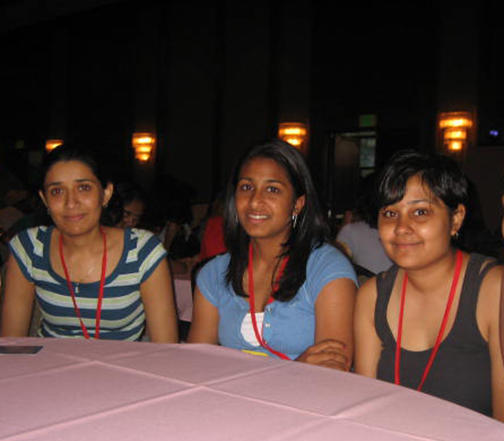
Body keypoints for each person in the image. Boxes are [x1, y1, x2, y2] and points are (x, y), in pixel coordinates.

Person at [354, 150, 504, 420]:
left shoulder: (493, 289)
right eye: (390, 213)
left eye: (420, 212)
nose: (401, 227)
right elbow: (366, 409)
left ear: (456, 218)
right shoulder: (372, 296)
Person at [188, 139, 357, 369]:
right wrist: (296, 368)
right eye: (246, 187)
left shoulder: (327, 269)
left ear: (297, 204)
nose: (255, 201)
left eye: (272, 189)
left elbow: (334, 369)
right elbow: (197, 365)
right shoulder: (213, 274)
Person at [0, 145, 178, 342]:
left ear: (106, 193)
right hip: (51, 368)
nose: (71, 202)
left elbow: (165, 347)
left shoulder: (142, 250)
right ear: (44, 199)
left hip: (123, 370)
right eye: (57, 191)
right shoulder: (29, 247)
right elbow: (12, 344)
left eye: (83, 188)